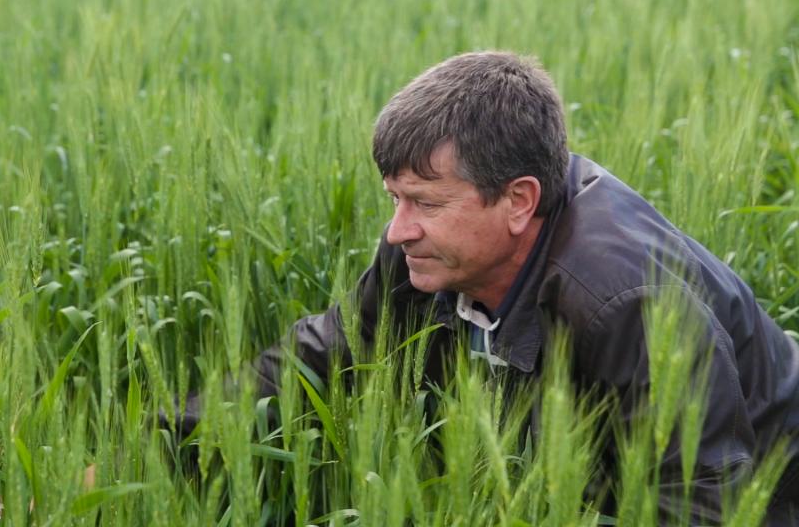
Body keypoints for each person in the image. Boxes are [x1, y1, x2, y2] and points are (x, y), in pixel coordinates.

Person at [168, 52, 799, 523]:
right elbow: (322, 356)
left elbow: (701, 503)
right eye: (394, 199)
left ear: (519, 200)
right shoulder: (428, 253)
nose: (397, 230)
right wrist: (168, 444)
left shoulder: (628, 303)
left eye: (425, 202)